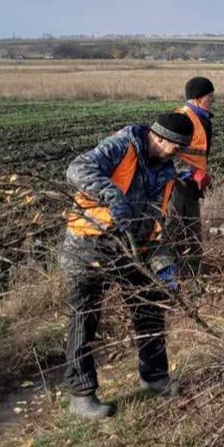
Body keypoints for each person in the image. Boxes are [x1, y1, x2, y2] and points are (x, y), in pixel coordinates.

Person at [60, 112, 192, 419]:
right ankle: (81, 394)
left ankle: (156, 376)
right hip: (90, 241)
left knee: (149, 306)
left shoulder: (166, 170)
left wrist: (164, 266)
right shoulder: (122, 145)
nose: (179, 155)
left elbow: (156, 223)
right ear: (161, 139)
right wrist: (111, 194)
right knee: (85, 315)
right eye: (177, 148)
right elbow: (77, 168)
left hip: (133, 246)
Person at [173, 77, 215, 274]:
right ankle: (183, 278)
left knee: (192, 232)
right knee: (181, 232)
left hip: (190, 187)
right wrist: (191, 172)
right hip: (176, 187)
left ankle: (194, 274)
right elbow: (167, 154)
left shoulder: (201, 119)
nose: (212, 102)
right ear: (198, 99)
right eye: (210, 98)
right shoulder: (183, 120)